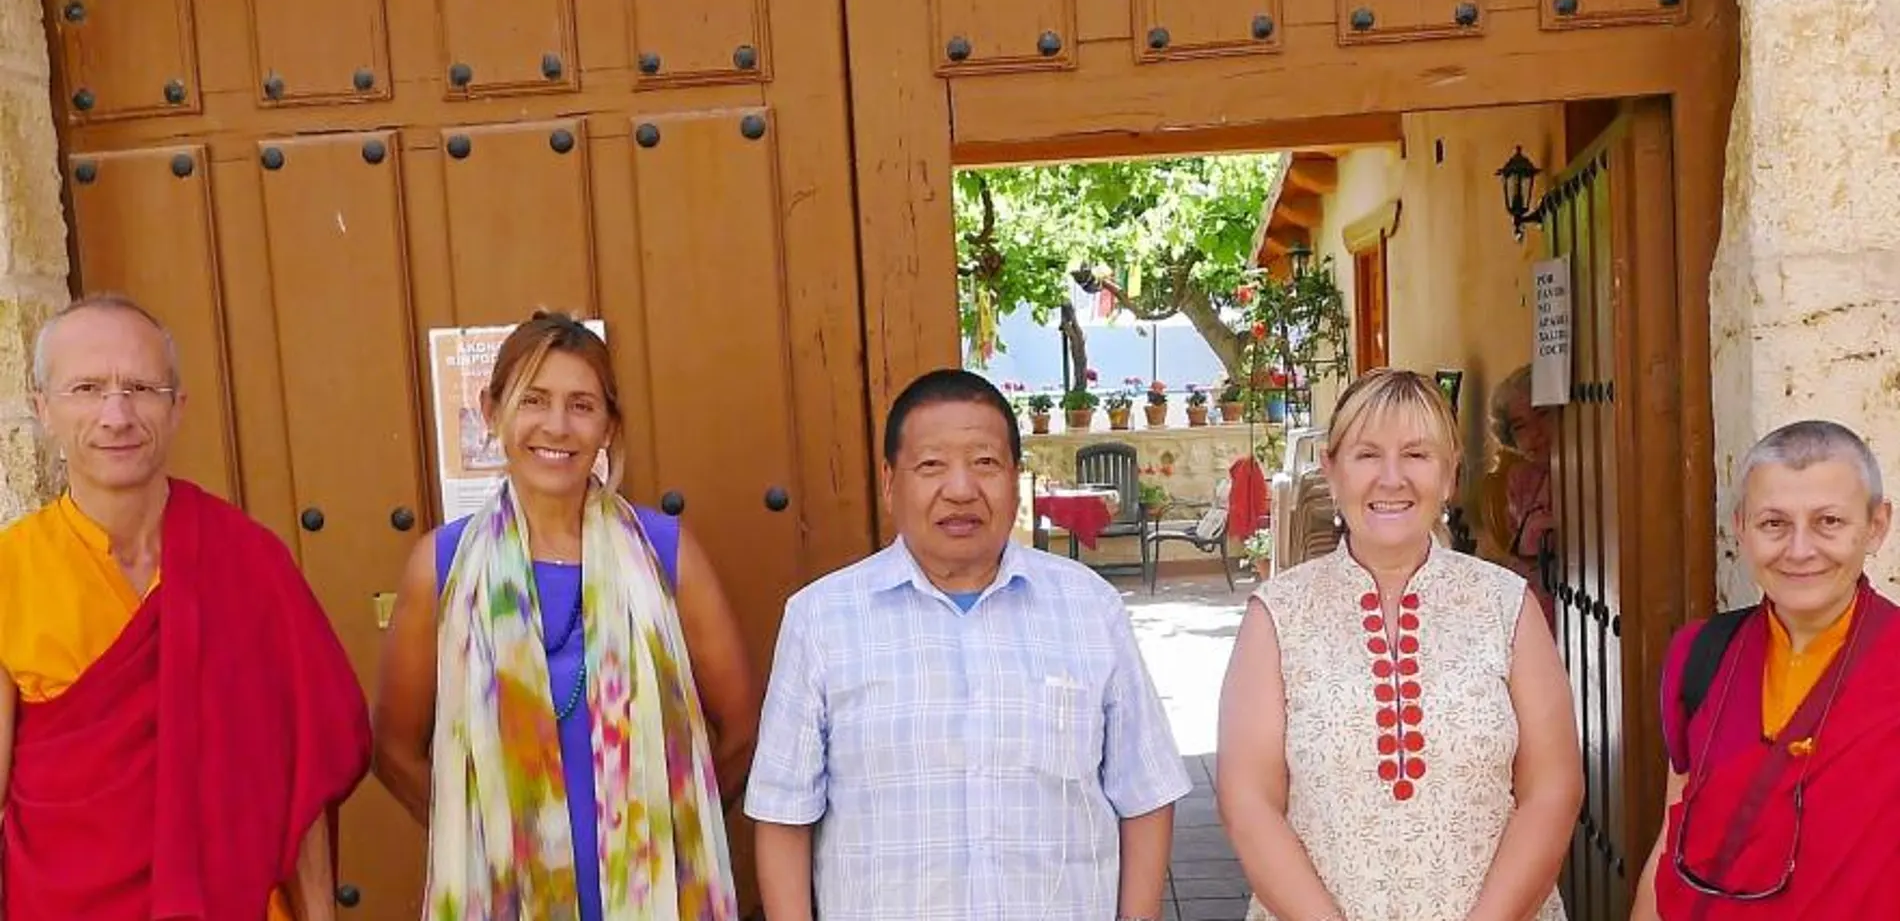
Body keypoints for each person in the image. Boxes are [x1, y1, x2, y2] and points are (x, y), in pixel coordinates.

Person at [745, 368, 1190, 921]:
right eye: (931, 465)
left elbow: (1145, 791)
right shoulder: (821, 620)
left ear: (1015, 477)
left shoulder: (1088, 608)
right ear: (890, 483)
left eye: (985, 463)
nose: (961, 489)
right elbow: (784, 813)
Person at [372, 310, 756, 920]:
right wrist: (483, 840)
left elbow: (739, 730)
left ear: (608, 426)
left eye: (581, 405)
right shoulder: (441, 567)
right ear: (491, 410)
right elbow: (394, 749)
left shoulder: (666, 556)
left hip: (656, 897)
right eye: (533, 399)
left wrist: (677, 829)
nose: (557, 425)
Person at [0, 293, 370, 921]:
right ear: (43, 410)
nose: (116, 414)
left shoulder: (250, 563)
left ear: (177, 409)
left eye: (141, 387)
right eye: (86, 388)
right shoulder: (12, 572)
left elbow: (301, 783)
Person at [1217, 368, 1580, 921]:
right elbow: (1249, 802)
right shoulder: (1278, 617)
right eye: (1367, 455)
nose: (1392, 479)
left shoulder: (1505, 606)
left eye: (1417, 455)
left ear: (1451, 474)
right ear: (1332, 472)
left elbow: (1552, 788)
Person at [1631, 419, 1900, 919]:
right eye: (1774, 523)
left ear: (1876, 526)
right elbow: (1673, 841)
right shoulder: (1704, 654)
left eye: (1829, 522)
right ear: (1741, 528)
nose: (1799, 551)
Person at [1482, 364, 1557, 627]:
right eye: (1520, 426)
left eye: (1543, 415)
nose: (1534, 433)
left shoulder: (1593, 478)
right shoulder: (1520, 480)